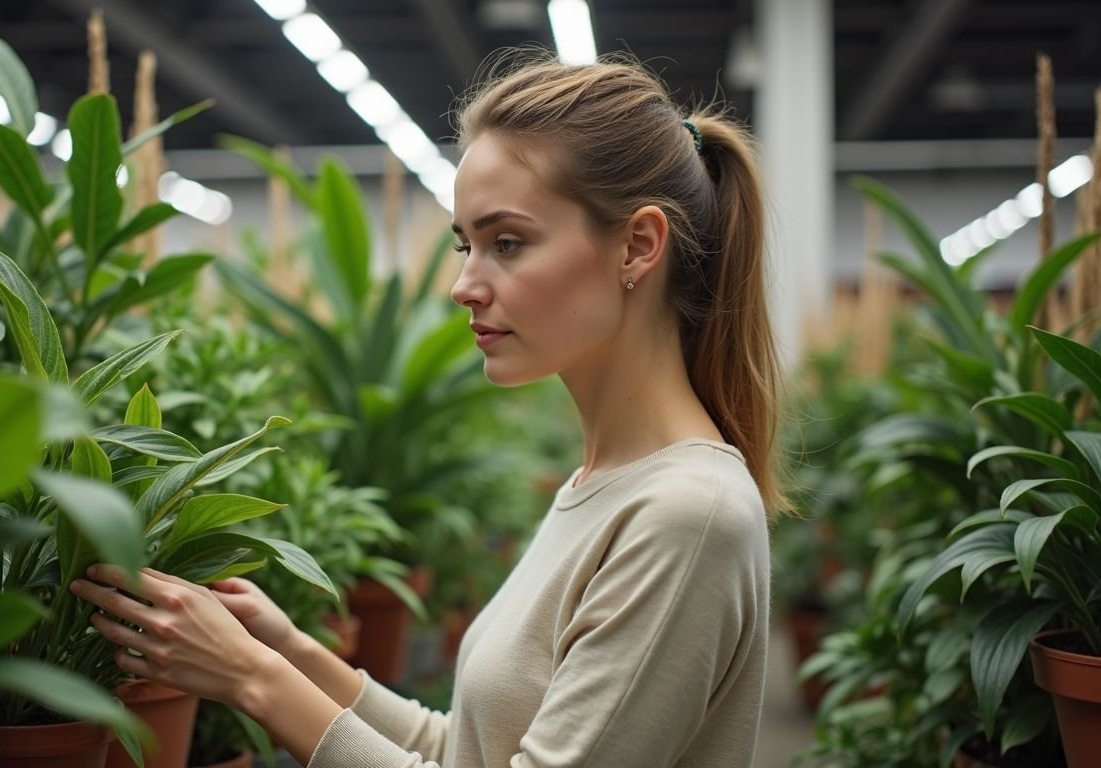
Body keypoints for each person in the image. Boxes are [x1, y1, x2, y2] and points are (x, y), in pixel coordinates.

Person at [70, 52, 786, 767]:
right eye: (465, 244)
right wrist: (289, 650)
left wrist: (253, 679)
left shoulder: (686, 515)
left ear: (638, 245)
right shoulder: (602, 485)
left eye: (507, 242)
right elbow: (468, 748)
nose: (464, 285)